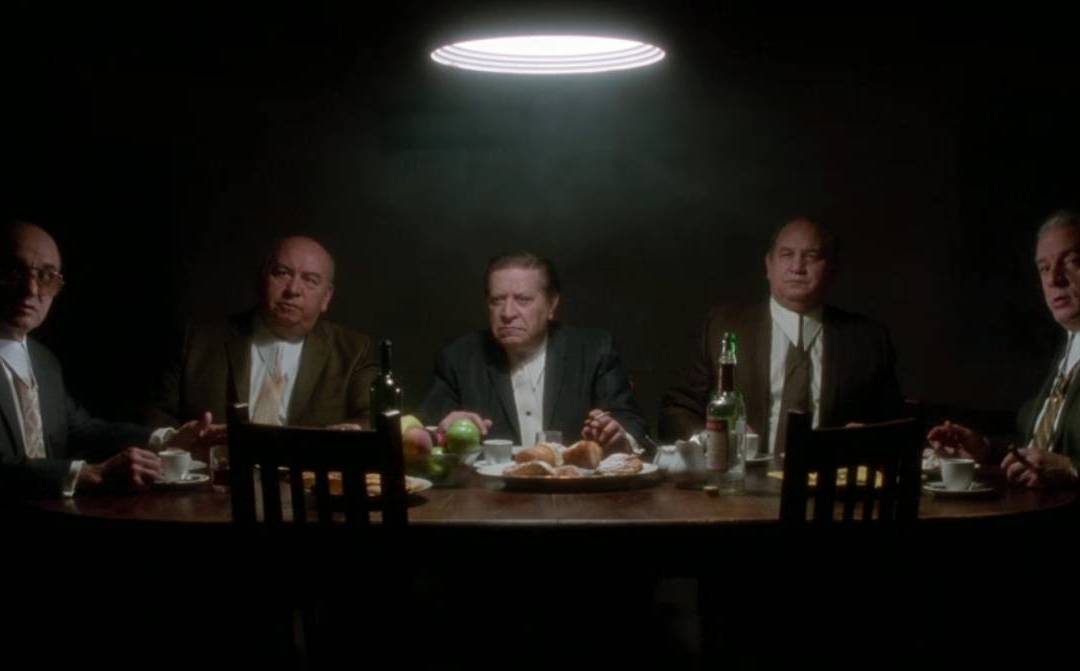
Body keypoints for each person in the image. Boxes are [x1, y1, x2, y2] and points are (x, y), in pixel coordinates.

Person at [0, 221, 219, 497]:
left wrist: (167, 439)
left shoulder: (44, 361)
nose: (32, 289)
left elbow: (83, 429)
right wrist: (88, 474)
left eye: (46, 276)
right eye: (15, 271)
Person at [660, 217, 904, 453]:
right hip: (741, 477)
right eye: (787, 254)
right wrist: (709, 438)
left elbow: (896, 423)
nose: (797, 267)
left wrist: (870, 437)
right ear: (769, 265)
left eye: (811, 256)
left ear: (831, 269)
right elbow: (678, 409)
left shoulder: (867, 340)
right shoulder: (723, 327)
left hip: (829, 477)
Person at [418, 252, 647, 451]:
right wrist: (440, 431)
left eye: (523, 299)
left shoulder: (595, 350)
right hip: (490, 487)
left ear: (551, 304)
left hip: (573, 485)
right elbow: (422, 433)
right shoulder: (458, 358)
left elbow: (631, 424)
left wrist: (620, 438)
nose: (507, 313)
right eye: (497, 300)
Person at [145, 235, 377, 429]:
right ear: (262, 279)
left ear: (326, 297)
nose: (293, 289)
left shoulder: (353, 351)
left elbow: (374, 418)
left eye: (310, 280)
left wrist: (352, 433)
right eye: (282, 273)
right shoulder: (198, 341)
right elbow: (155, 416)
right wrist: (172, 441)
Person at [928, 210, 1080, 487]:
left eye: (1072, 262)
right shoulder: (1066, 347)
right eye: (1044, 268)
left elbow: (1061, 464)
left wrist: (1072, 469)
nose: (1054, 279)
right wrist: (985, 450)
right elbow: (1043, 452)